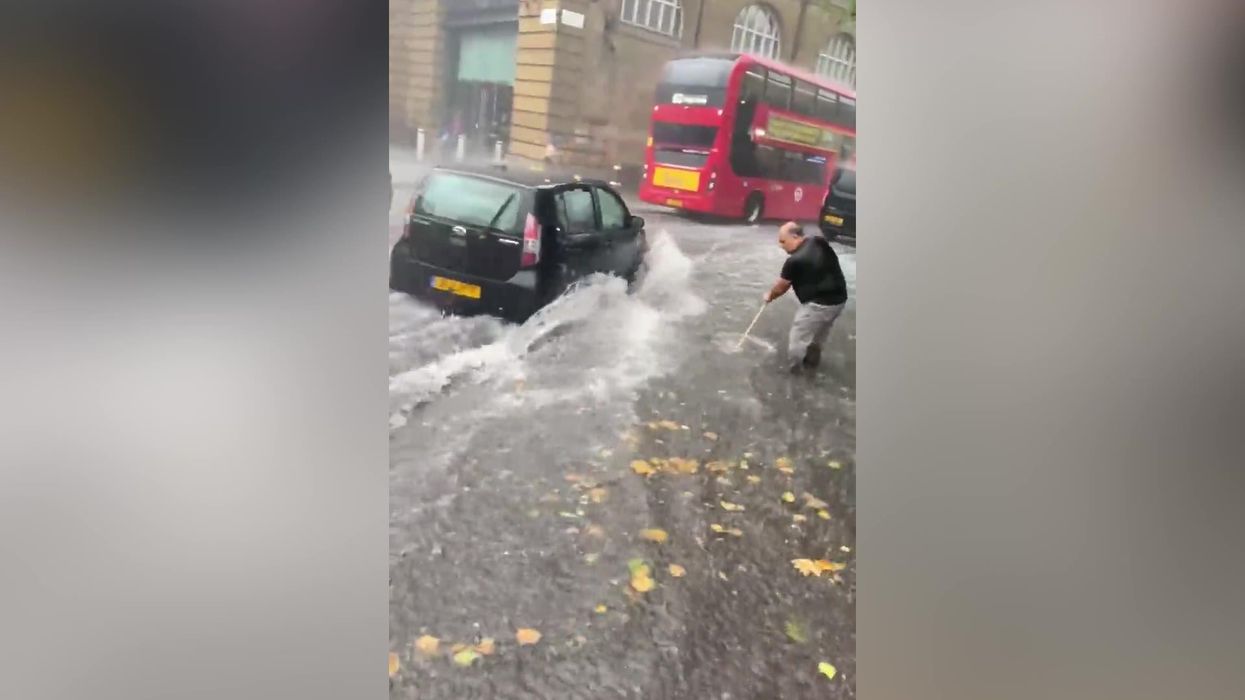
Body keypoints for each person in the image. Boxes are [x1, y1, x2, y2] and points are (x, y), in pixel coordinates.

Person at [763, 222, 849, 372]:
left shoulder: (794, 261)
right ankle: (812, 363)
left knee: (798, 338)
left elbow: (782, 286)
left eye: (783, 241)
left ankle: (795, 371)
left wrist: (770, 295)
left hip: (817, 305)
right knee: (819, 334)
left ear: (795, 236)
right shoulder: (818, 241)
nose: (781, 246)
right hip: (839, 300)